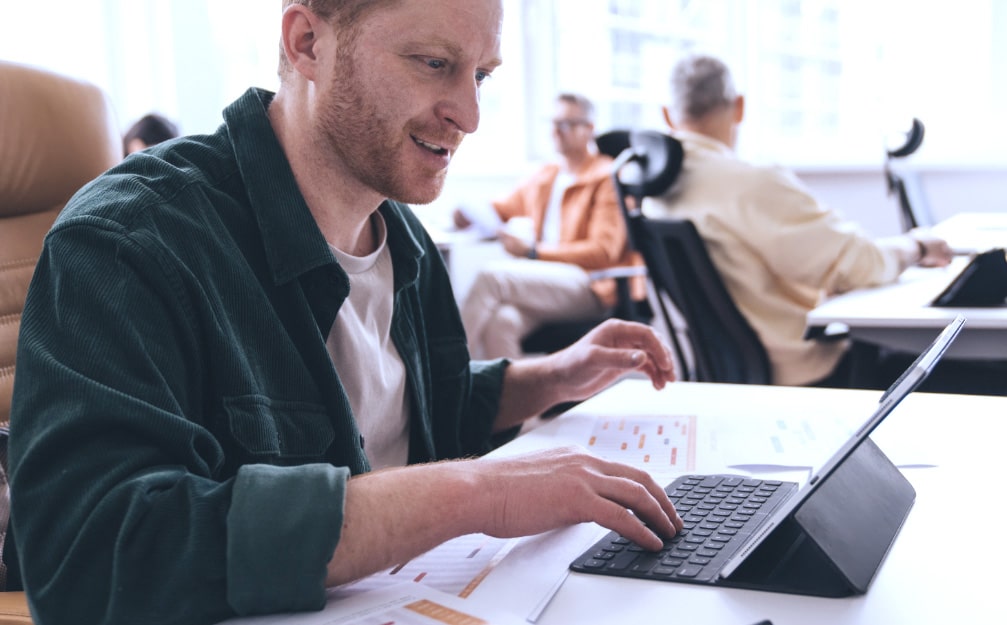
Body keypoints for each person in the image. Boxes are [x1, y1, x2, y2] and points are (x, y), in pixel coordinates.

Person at [6, 2, 681, 624]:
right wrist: (474, 491)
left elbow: (409, 406)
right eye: (435, 64)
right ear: (307, 44)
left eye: (481, 74)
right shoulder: (134, 240)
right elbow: (90, 562)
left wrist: (550, 377)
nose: (469, 114)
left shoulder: (405, 238)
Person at [644, 53, 954, 388]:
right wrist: (917, 247)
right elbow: (860, 264)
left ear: (667, 115)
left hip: (726, 377)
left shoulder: (653, 196)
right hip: (807, 374)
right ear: (739, 107)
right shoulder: (749, 183)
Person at [457, 93, 641, 360]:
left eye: (566, 124)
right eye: (553, 123)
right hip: (551, 281)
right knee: (503, 322)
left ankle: (444, 378)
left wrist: (533, 252)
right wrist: (465, 214)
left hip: (590, 284)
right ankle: (510, 401)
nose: (556, 131)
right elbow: (501, 208)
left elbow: (603, 252)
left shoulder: (607, 176)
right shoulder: (547, 176)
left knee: (491, 278)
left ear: (589, 129)